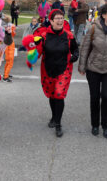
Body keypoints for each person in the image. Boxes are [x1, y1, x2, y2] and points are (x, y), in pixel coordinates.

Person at [78, 3, 107, 139]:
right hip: (93, 68)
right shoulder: (93, 28)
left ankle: (106, 126)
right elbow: (85, 47)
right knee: (94, 97)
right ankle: (94, 124)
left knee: (106, 97)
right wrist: (82, 66)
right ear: (103, 15)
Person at [32, 9, 79, 137]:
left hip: (64, 69)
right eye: (57, 18)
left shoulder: (69, 35)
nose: (60, 20)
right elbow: (37, 54)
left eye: (61, 18)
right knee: (52, 95)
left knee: (59, 94)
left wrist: (74, 57)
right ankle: (53, 117)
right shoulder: (44, 36)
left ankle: (58, 124)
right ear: (51, 21)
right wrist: (35, 45)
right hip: (48, 68)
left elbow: (75, 50)